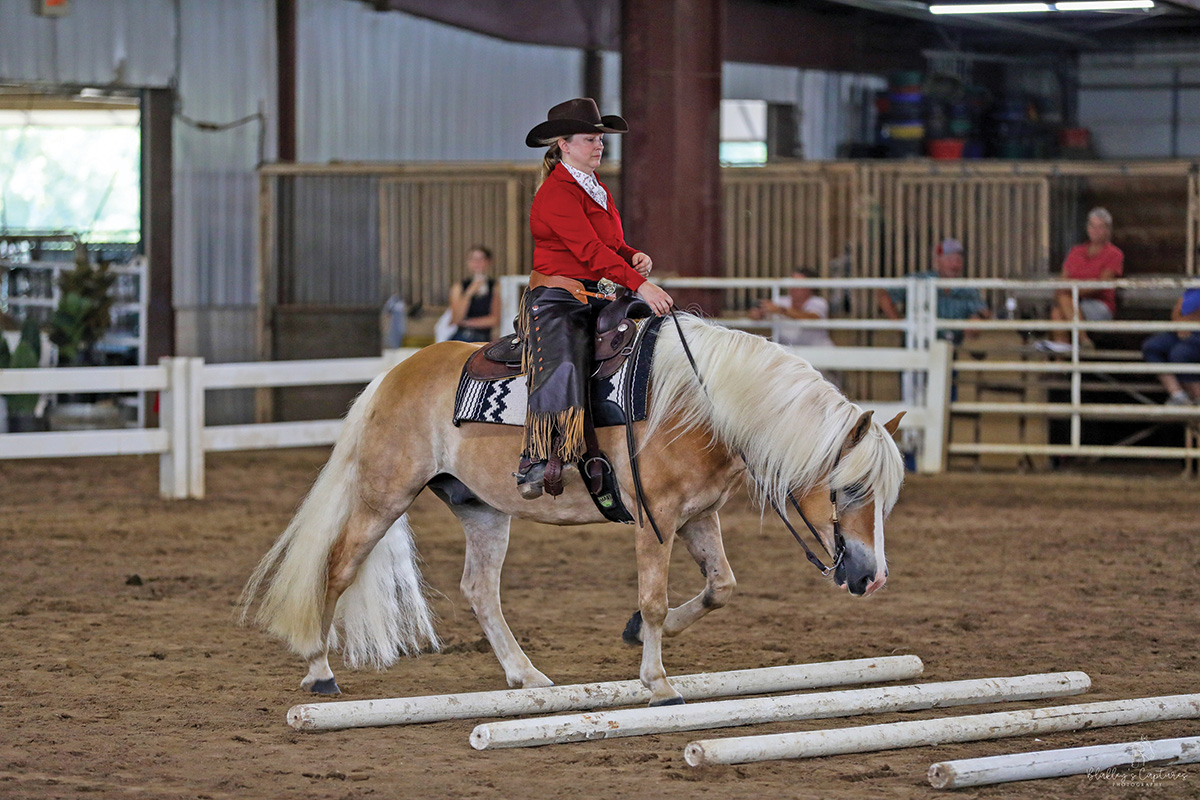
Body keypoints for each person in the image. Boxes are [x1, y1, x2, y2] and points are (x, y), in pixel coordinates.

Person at [516, 97, 674, 498]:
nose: (599, 145)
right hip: (556, 298)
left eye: (600, 139)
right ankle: (538, 455)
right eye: (590, 139)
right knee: (565, 358)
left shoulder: (595, 188)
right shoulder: (556, 194)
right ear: (564, 145)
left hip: (593, 294)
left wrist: (630, 254)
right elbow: (588, 251)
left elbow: (608, 244)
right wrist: (640, 284)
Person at [1037, 207, 1123, 354]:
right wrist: (1068, 292)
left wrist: (1073, 292)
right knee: (1057, 311)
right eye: (1092, 226)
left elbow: (1101, 284)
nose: (1095, 230)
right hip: (1073, 300)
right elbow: (1063, 278)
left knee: (1062, 304)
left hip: (1099, 304)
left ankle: (1072, 348)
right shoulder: (1075, 251)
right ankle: (1075, 347)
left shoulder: (1114, 254)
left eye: (1100, 227)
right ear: (1087, 228)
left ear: (1108, 230)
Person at [876, 238, 990, 345]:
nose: (955, 265)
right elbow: (884, 296)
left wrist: (976, 319)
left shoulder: (967, 288)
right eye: (949, 259)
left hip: (949, 348)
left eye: (958, 260)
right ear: (937, 262)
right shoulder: (920, 280)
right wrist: (902, 327)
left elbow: (984, 312)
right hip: (918, 346)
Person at [1141, 287, 1200, 406]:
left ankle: (1198, 397)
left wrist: (1188, 322)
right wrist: (1179, 322)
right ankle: (1178, 395)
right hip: (1184, 327)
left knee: (1181, 353)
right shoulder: (1196, 282)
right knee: (1152, 347)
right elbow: (1178, 306)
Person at [750, 268, 834, 348]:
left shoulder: (818, 302)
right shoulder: (781, 301)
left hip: (818, 351)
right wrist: (758, 314)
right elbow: (756, 315)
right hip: (789, 353)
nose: (793, 287)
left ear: (811, 287)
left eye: (798, 284)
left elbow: (812, 317)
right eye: (792, 283)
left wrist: (781, 310)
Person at [447, 245, 500, 343]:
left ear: (488, 262)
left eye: (481, 259)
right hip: (462, 336)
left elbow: (495, 320)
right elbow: (456, 318)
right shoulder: (459, 286)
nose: (477, 263)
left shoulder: (495, 286)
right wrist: (469, 293)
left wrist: (466, 323)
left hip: (483, 337)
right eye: (473, 259)